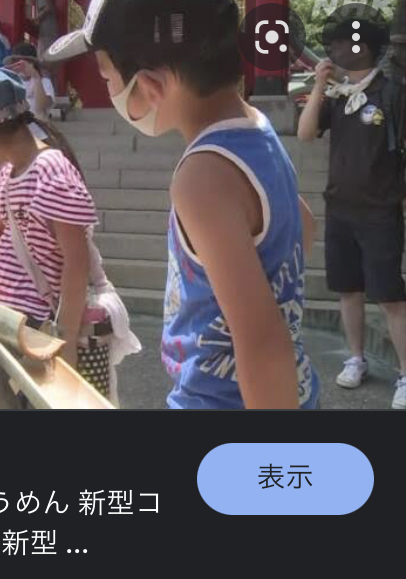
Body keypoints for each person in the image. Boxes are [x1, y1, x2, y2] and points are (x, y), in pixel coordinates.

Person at [45, 0, 319, 409]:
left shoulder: (202, 176)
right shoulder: (256, 133)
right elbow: (303, 226)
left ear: (150, 85)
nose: (108, 89)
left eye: (106, 77)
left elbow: (264, 347)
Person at [0, 68, 140, 408]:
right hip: (0, 319)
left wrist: (65, 344)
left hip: (35, 330)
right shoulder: (8, 175)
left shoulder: (52, 170)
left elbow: (76, 264)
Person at [298, 18, 406, 409]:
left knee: (390, 296)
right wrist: (318, 87)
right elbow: (305, 133)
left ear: (363, 48)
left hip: (380, 210)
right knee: (348, 290)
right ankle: (356, 358)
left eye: (341, 44)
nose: (334, 51)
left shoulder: (391, 92)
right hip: (340, 208)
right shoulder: (338, 95)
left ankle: (405, 374)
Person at [4, 43, 55, 120]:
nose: (21, 66)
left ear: (33, 63)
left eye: (25, 62)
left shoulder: (45, 82)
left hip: (37, 124)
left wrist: (36, 77)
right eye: (16, 62)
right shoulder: (9, 83)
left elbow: (42, 107)